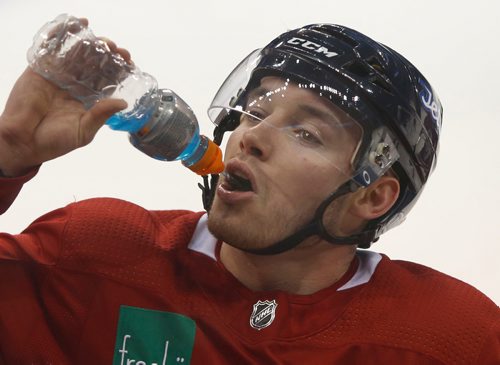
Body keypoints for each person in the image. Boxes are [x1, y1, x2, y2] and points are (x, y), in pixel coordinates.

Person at [0, 21, 498, 365]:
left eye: (307, 133)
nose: (250, 136)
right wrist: (6, 157)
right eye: (256, 110)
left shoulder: (455, 339)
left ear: (372, 197)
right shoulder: (96, 252)